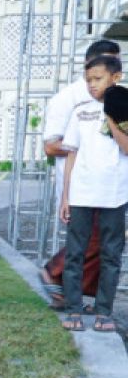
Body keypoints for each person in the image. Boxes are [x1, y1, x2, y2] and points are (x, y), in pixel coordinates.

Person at [38, 39, 121, 307]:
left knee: (106, 247)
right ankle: (54, 272)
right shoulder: (70, 99)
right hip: (79, 184)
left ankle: (76, 295)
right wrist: (84, 149)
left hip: (110, 186)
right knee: (88, 242)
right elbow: (51, 146)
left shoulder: (118, 99)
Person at [58, 55, 128, 333]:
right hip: (82, 193)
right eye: (88, 80)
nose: (91, 85)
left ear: (116, 77)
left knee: (111, 254)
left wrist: (113, 114)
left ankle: (104, 311)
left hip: (115, 194)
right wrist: (66, 196)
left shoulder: (124, 108)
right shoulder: (80, 111)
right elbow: (71, 155)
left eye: (97, 79)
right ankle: (73, 308)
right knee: (75, 252)